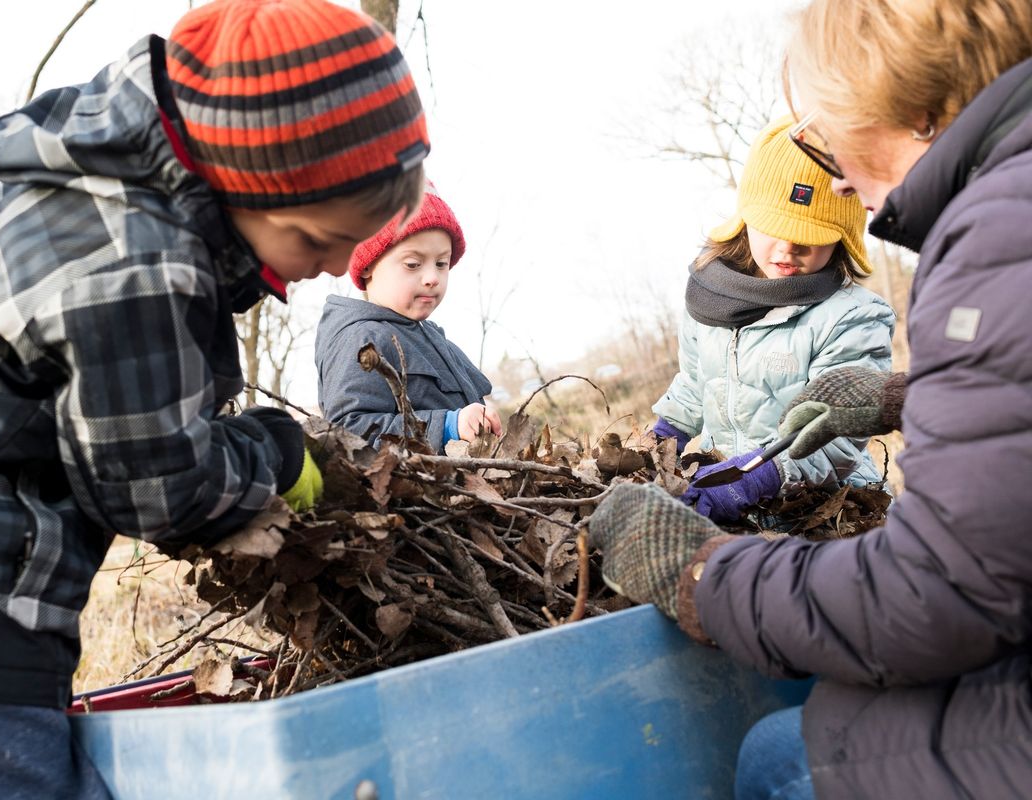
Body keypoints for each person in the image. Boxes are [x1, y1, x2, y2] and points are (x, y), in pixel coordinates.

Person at [0, 0, 429, 797]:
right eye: (317, 241)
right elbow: (150, 485)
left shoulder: (108, 203)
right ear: (244, 184)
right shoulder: (139, 259)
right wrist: (278, 456)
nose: (329, 267)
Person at [590, 0, 1032, 797]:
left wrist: (701, 577)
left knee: (778, 756)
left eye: (828, 131)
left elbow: (940, 595)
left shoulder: (1000, 232)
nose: (833, 169)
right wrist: (903, 395)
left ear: (912, 109)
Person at [651, 117, 894, 524]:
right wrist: (661, 438)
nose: (788, 247)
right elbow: (696, 384)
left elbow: (839, 433)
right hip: (728, 498)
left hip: (823, 510)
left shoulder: (853, 317)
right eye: (775, 226)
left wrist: (758, 475)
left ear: (843, 235)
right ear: (745, 217)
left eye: (809, 233)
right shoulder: (709, 298)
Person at [315, 184, 500, 453]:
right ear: (367, 266)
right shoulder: (361, 338)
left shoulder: (432, 337)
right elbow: (349, 432)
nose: (432, 278)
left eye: (441, 264)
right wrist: (448, 426)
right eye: (413, 264)